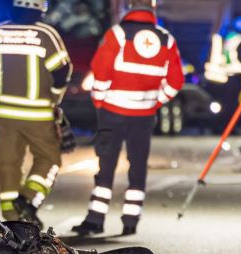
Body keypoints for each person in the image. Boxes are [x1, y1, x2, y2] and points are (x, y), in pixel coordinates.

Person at [71, 0, 184, 236]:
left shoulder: (118, 34)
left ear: (128, 8)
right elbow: (176, 81)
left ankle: (95, 219)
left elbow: (101, 70)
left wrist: (100, 101)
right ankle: (131, 221)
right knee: (138, 167)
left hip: (113, 111)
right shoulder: (166, 39)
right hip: (143, 116)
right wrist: (156, 100)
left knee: (106, 166)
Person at [0, 0, 73, 228]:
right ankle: (28, 200)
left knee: (7, 162)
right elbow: (62, 70)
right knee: (49, 160)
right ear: (41, 8)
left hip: (5, 113)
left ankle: (12, 220)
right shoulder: (46, 34)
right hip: (38, 113)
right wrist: (55, 97)